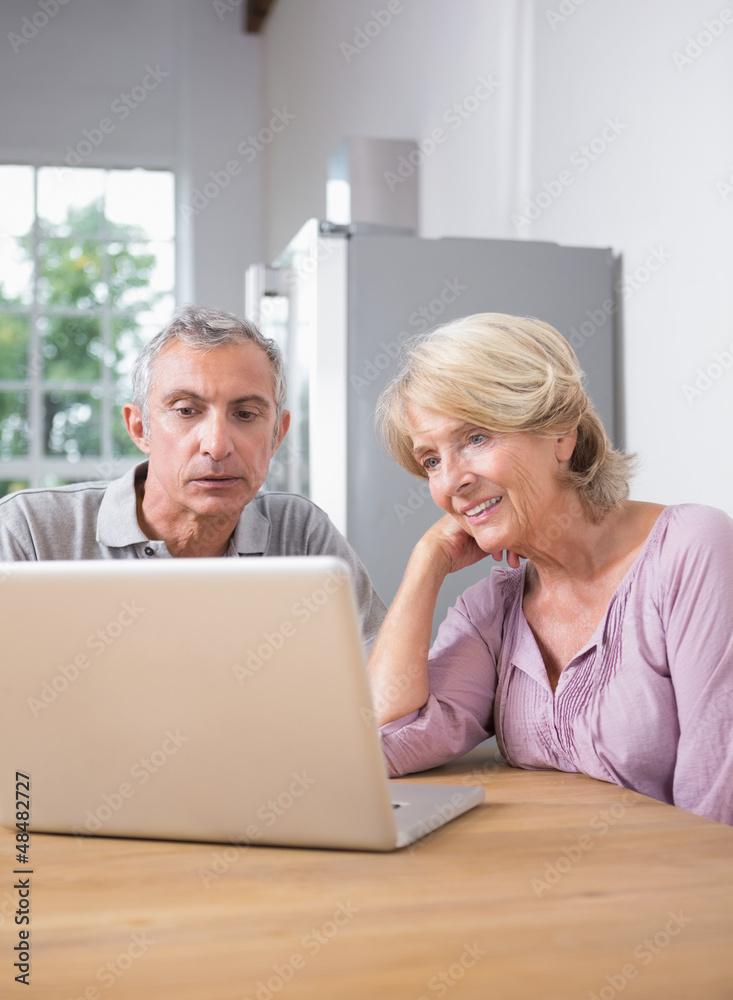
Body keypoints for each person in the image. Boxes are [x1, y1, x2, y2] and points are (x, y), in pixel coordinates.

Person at [369, 312, 733, 826]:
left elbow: (718, 799)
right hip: (553, 892)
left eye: (475, 438)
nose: (451, 482)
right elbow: (381, 742)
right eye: (430, 460)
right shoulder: (494, 609)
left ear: (562, 433)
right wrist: (425, 566)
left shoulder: (691, 550)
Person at [0, 305, 386, 650]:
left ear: (277, 436)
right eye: (186, 410)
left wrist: (426, 561)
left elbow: (384, 691)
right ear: (140, 429)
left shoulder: (300, 535)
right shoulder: (28, 532)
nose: (217, 446)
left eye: (246, 414)